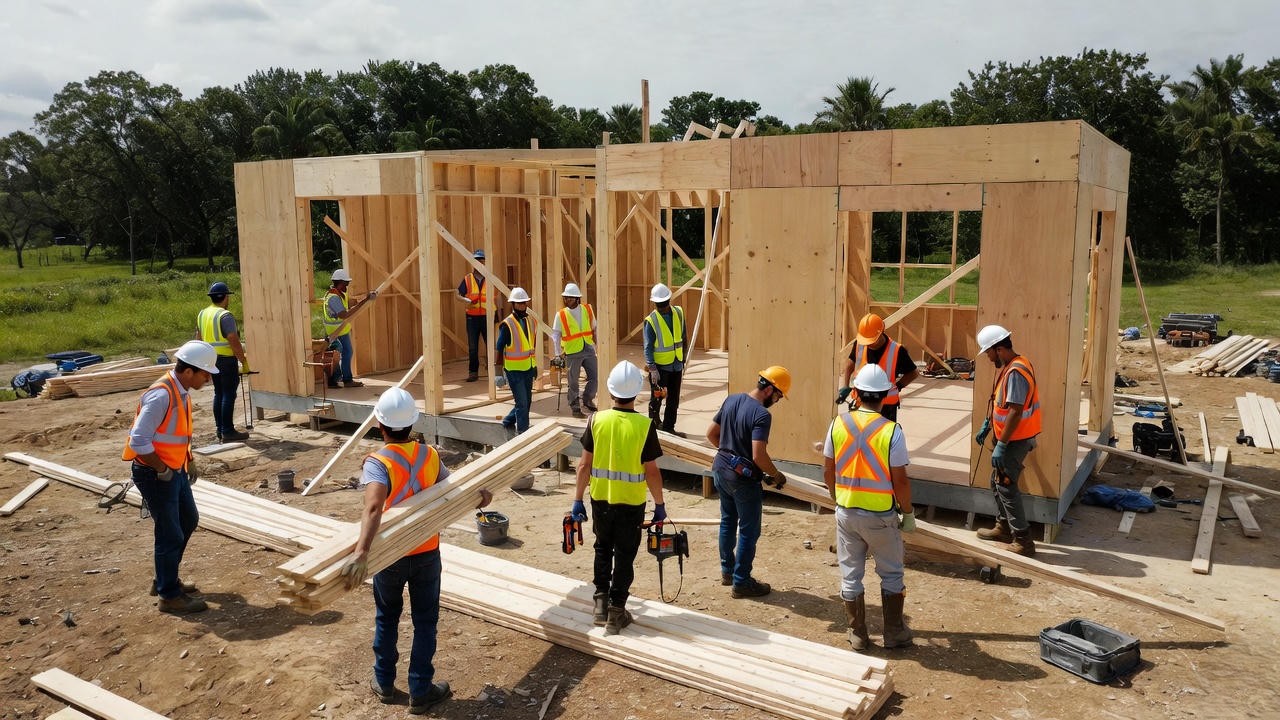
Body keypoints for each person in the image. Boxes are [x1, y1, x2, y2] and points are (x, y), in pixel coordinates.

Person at [340, 387, 493, 714]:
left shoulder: (378, 462)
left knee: (387, 615)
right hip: (426, 552)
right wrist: (478, 496)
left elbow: (373, 509)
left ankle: (383, 681)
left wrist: (361, 552)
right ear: (413, 424)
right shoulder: (429, 455)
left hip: (391, 555)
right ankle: (420, 691)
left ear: (380, 426)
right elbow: (450, 490)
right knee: (425, 622)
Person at [122, 340, 218, 614]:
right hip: (154, 473)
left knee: (188, 520)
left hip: (173, 469)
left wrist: (189, 461)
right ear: (188, 371)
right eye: (204, 373)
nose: (208, 378)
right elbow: (139, 441)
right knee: (170, 533)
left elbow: (176, 435)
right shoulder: (162, 395)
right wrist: (163, 470)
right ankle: (168, 595)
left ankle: (165, 578)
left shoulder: (181, 391)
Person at [823, 364, 915, 650]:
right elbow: (900, 481)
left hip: (847, 512)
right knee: (891, 573)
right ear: (885, 396)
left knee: (851, 574)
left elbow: (828, 470)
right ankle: (894, 633)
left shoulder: (838, 423)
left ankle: (858, 634)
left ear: (856, 394)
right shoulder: (892, 431)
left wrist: (837, 498)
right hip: (880, 516)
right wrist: (908, 513)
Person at [570, 361, 665, 635]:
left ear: (610, 391)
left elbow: (583, 466)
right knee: (624, 555)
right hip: (631, 505)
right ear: (637, 393)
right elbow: (652, 472)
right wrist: (659, 505)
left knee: (602, 547)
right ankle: (616, 612)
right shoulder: (644, 426)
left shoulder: (596, 421)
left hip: (601, 500)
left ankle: (600, 605)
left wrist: (577, 500)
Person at [706, 366, 791, 599]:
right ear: (770, 389)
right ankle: (741, 581)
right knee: (748, 531)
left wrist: (730, 456)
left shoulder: (732, 400)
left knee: (727, 521)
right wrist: (775, 475)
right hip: (742, 481)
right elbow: (758, 455)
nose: (778, 400)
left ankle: (728, 572)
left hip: (720, 471)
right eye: (779, 395)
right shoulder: (762, 415)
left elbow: (712, 434)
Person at [974, 324, 1040, 557]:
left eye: (989, 353)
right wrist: (988, 424)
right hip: (1009, 437)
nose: (988, 357)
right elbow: (1002, 404)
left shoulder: (1015, 372)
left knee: (1006, 485)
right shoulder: (1013, 366)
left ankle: (1023, 540)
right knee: (997, 482)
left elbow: (1015, 411)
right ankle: (1003, 526)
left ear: (999, 349)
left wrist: (1001, 444)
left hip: (1015, 440)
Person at [836, 313, 918, 422]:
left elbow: (913, 373)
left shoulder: (897, 350)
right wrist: (845, 386)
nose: (868, 344)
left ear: (881, 333)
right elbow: (850, 363)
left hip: (886, 407)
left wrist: (898, 386)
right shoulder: (859, 344)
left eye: (871, 340)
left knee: (883, 437)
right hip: (860, 402)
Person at [196, 281, 250, 442]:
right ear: (225, 297)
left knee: (218, 393)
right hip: (226, 360)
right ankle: (228, 431)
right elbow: (233, 339)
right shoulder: (225, 316)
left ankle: (220, 429)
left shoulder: (202, 314)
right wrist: (243, 361)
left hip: (210, 360)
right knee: (228, 394)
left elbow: (198, 338)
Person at [642, 283, 687, 435]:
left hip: (676, 365)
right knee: (657, 398)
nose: (661, 307)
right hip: (660, 368)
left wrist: (683, 359)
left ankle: (669, 427)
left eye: (663, 303)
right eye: (659, 304)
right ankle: (652, 427)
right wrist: (652, 368)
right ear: (654, 303)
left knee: (673, 399)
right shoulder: (651, 320)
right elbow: (648, 347)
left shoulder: (679, 313)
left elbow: (683, 337)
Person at [323, 268, 377, 389]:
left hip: (342, 331)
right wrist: (365, 301)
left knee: (347, 352)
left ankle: (346, 379)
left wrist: (367, 297)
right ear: (340, 282)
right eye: (346, 282)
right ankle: (335, 381)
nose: (348, 285)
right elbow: (344, 314)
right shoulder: (333, 298)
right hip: (334, 333)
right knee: (336, 355)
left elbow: (350, 303)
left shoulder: (340, 293)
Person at [551, 282, 598, 418]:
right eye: (566, 298)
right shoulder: (560, 315)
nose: (567, 300)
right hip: (572, 351)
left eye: (570, 298)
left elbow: (594, 328)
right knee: (573, 381)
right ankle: (575, 406)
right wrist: (557, 354)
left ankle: (588, 399)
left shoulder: (587, 309)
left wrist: (597, 344)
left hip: (588, 347)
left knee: (595, 377)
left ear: (577, 298)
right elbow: (556, 336)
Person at [495, 287, 537, 433]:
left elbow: (531, 347)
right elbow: (499, 348)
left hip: (528, 369)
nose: (522, 305)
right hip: (514, 371)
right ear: (512, 304)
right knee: (522, 403)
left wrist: (535, 366)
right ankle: (523, 433)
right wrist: (498, 373)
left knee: (527, 402)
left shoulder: (531, 321)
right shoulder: (507, 325)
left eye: (524, 303)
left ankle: (508, 420)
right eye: (518, 303)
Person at [455, 249, 489, 382]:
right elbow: (457, 293)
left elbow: (497, 298)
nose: (479, 262)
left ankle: (493, 371)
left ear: (484, 262)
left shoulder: (489, 278)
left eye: (481, 260)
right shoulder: (467, 279)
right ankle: (473, 372)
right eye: (477, 260)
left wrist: (498, 315)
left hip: (487, 316)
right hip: (472, 318)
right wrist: (465, 300)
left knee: (490, 346)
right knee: (473, 347)